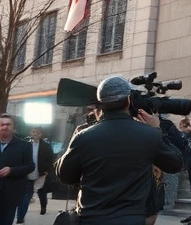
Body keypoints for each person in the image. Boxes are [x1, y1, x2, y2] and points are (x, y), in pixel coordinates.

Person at [55, 76, 183, 225]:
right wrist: (157, 130)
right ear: (129, 101)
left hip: (91, 218)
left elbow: (64, 176)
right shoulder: (149, 135)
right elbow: (175, 164)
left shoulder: (84, 136)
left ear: (100, 104)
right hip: (130, 220)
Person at [16, 127, 55, 223]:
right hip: (28, 173)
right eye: (34, 132)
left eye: (38, 133)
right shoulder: (25, 144)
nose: (36, 134)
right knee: (26, 195)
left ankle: (43, 207)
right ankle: (20, 217)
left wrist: (46, 171)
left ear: (41, 134)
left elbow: (50, 159)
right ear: (30, 132)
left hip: (41, 173)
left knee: (41, 191)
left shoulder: (46, 146)